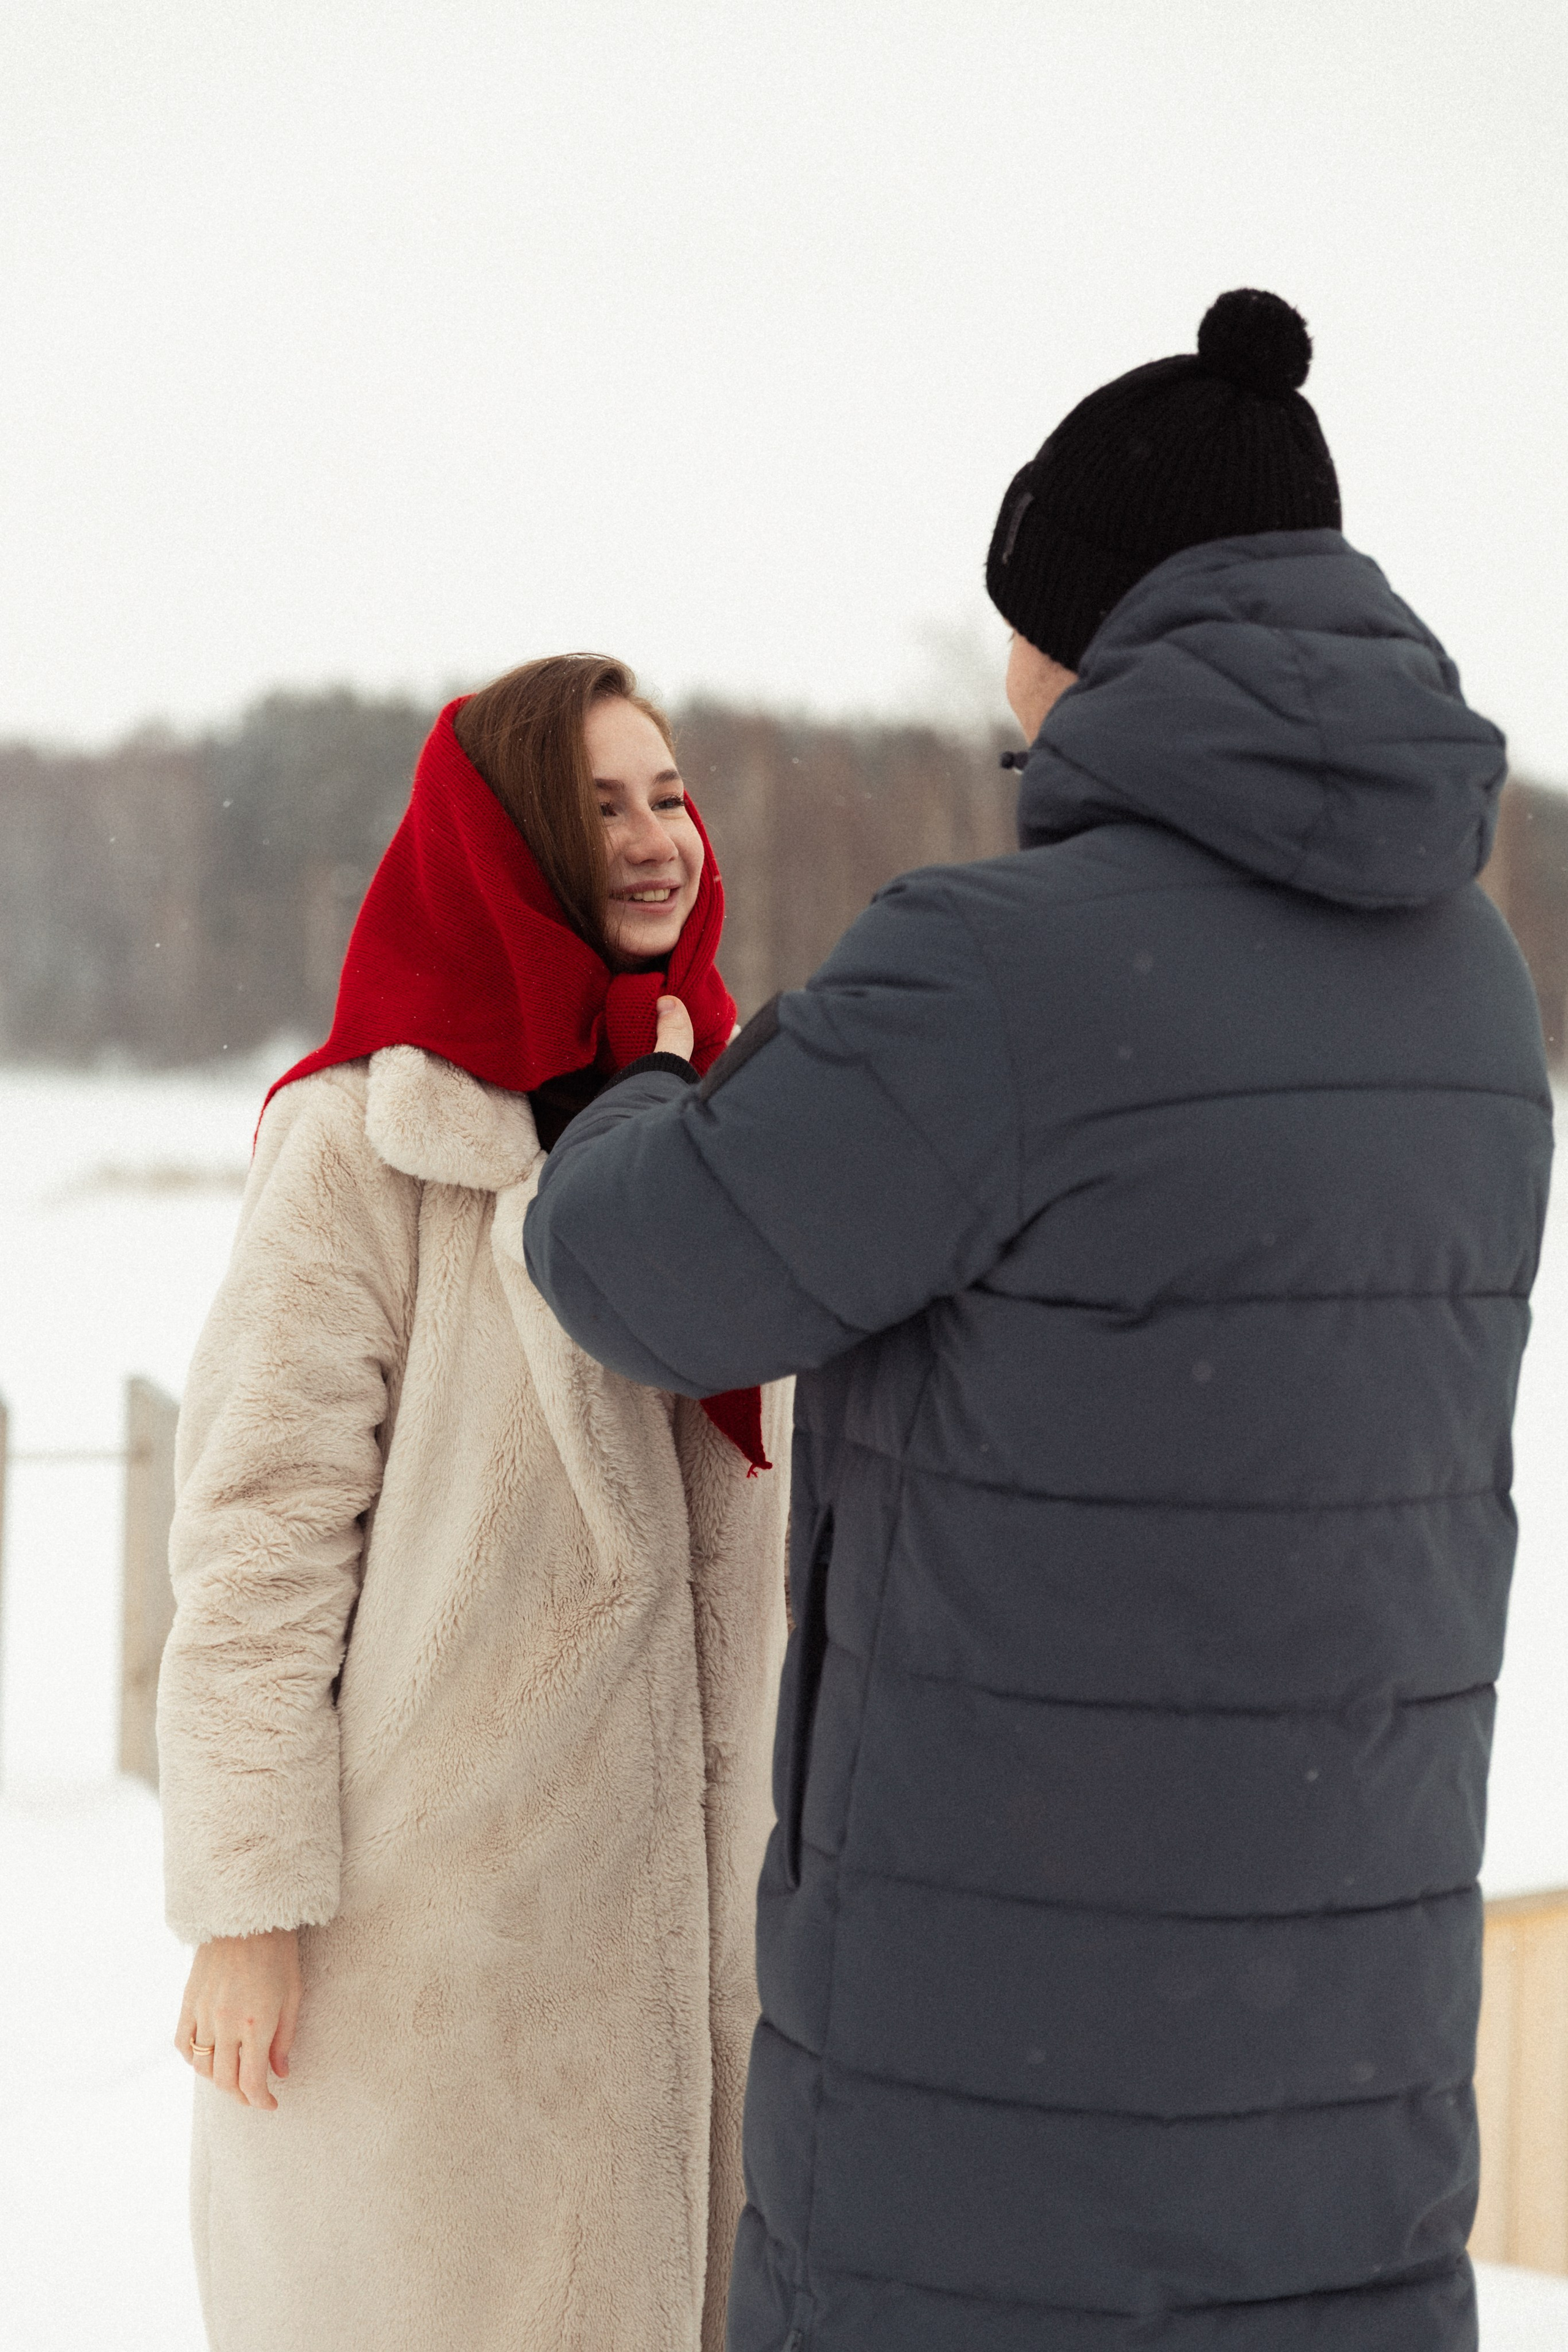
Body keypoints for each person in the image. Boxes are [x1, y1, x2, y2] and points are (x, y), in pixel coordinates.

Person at [519, 293, 1553, 2351]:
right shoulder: (1476, 993)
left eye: (1023, 666)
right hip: (1340, 2075)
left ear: (1098, 643)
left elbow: (649, 1269)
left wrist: (624, 1096)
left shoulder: (993, 978)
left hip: (998, 2119)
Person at [157, 655, 791, 2352]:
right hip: (438, 1956)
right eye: (600, 806)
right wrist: (243, 1908)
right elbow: (256, 1538)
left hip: (719, 1946)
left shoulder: (746, 1123)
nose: (659, 840)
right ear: (504, 839)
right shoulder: (364, 1141)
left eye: (670, 795)